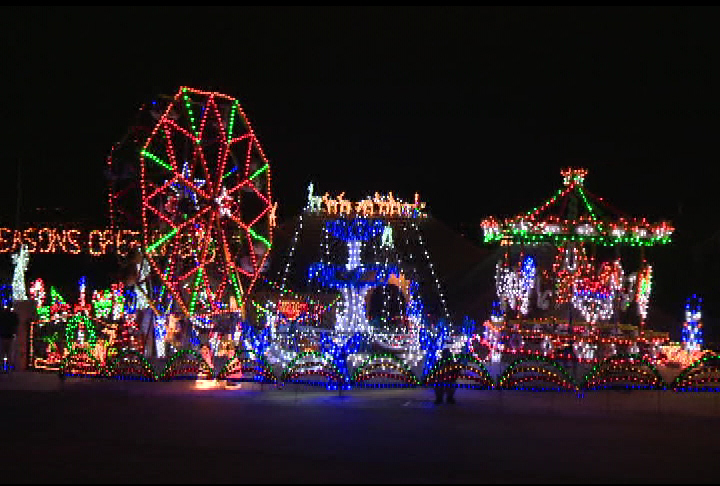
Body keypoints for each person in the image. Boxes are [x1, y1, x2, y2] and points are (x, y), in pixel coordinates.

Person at [0, 306, 19, 373]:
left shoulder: (2, 315)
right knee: (10, 353)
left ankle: (3, 368)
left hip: (3, 336)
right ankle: (9, 368)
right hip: (10, 336)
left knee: (2, 353)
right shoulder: (13, 315)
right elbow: (16, 324)